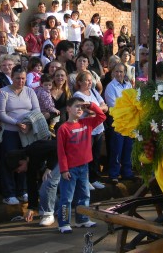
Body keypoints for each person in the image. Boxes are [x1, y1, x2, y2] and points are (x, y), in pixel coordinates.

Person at [57, 97, 106, 233]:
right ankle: (63, 223)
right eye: (76, 106)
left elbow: (101, 116)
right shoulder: (63, 128)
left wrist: (90, 105)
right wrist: (64, 169)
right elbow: (61, 152)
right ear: (68, 109)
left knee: (84, 195)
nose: (80, 109)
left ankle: (82, 219)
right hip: (70, 169)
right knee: (67, 197)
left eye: (81, 107)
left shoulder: (87, 123)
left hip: (84, 167)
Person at [0, 64, 40, 205]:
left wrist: (28, 123)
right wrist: (16, 122)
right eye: (17, 78)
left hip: (27, 132)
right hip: (10, 131)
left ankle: (22, 191)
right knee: (8, 161)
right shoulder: (4, 92)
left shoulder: (29, 91)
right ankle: (9, 193)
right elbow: (1, 113)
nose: (20, 81)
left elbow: (36, 109)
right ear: (12, 77)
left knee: (25, 160)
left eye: (22, 78)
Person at [73, 71, 109, 191]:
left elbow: (105, 106)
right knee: (86, 156)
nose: (89, 82)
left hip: (99, 128)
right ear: (79, 82)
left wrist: (97, 110)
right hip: (87, 129)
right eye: (86, 80)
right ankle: (85, 180)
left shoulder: (93, 91)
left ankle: (93, 179)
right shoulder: (78, 95)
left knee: (96, 155)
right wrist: (99, 110)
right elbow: (87, 111)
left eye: (90, 80)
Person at [104, 63, 134, 184]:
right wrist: (127, 108)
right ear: (113, 73)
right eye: (116, 71)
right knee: (117, 148)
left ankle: (127, 172)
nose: (119, 74)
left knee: (128, 147)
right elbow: (113, 105)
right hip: (117, 122)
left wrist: (128, 108)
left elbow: (133, 101)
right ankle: (114, 174)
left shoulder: (128, 85)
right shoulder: (110, 87)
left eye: (121, 72)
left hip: (129, 121)